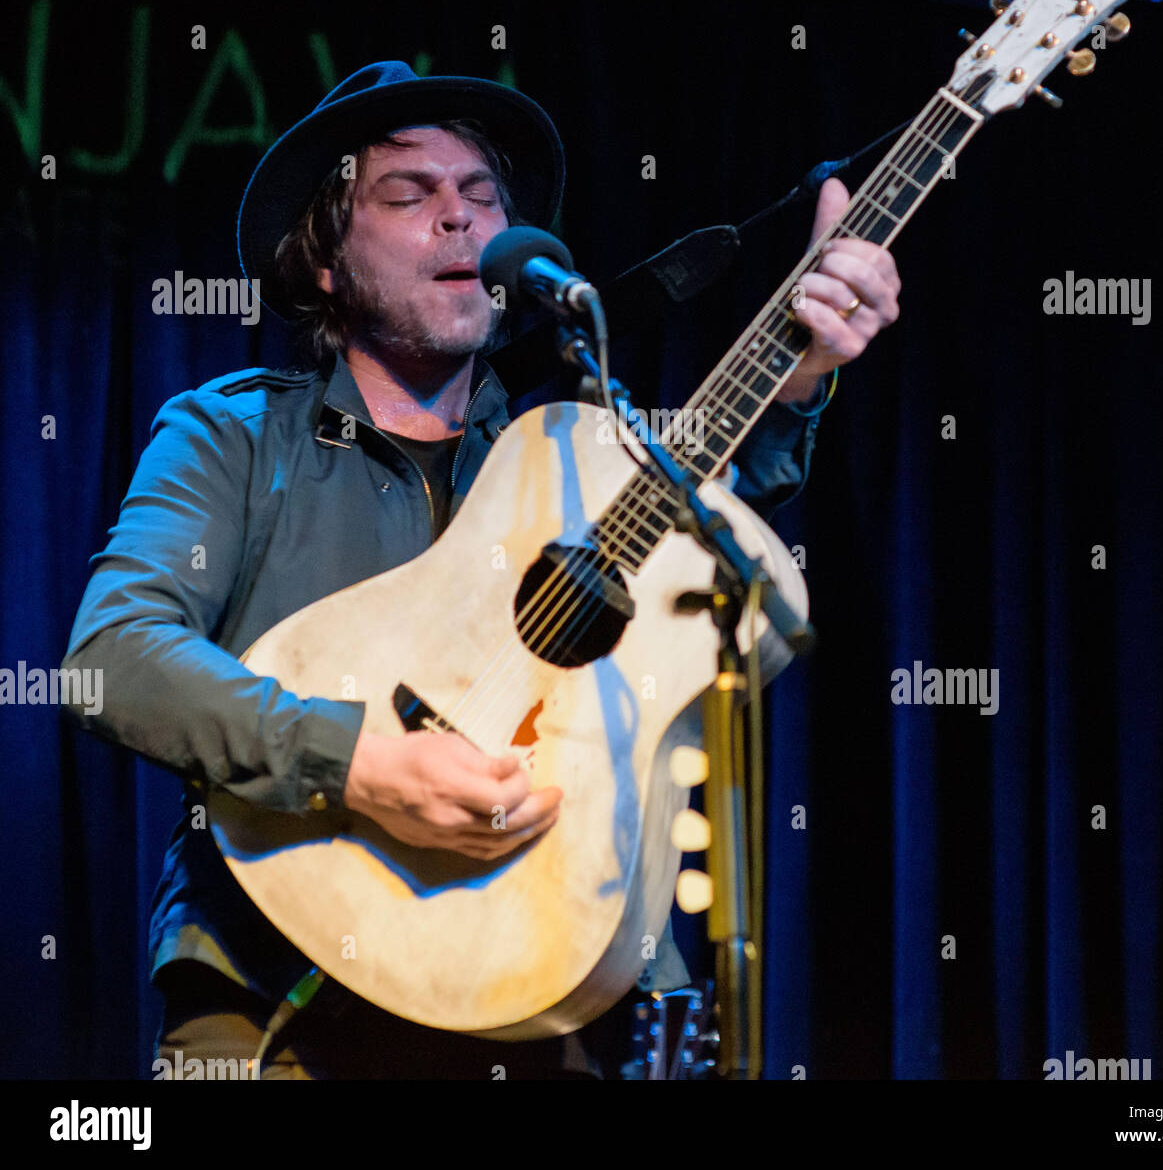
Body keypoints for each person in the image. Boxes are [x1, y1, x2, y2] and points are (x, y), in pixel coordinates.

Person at [61, 61, 901, 1078]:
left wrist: (802, 366)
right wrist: (358, 762)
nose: (459, 219)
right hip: (281, 1001)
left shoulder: (568, 448)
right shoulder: (234, 435)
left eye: (482, 196)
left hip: (560, 1005)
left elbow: (711, 519)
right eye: (409, 194)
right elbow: (113, 658)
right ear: (323, 260)